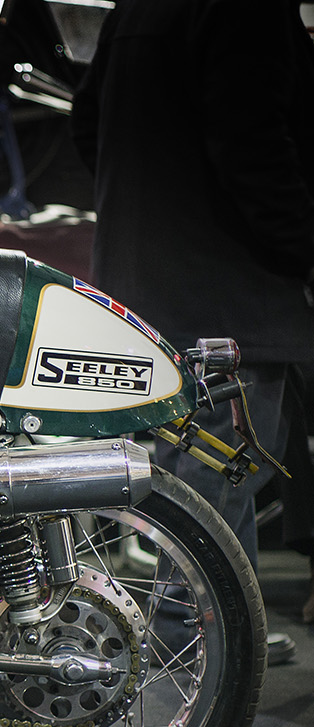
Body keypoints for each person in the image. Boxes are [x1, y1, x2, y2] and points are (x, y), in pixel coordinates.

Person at [72, 0, 314, 664]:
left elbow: (87, 122)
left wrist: (148, 206)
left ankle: (227, 632)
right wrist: (303, 248)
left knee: (206, 469)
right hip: (225, 292)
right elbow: (254, 145)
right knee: (218, 472)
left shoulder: (136, 8)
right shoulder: (247, 12)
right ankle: (193, 642)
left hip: (148, 284)